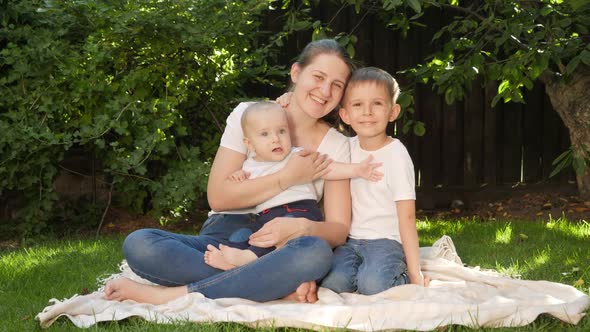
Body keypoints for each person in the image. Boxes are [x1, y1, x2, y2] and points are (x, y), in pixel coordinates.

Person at [104, 39, 355, 305]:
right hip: (225, 235)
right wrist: (288, 177)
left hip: (279, 242)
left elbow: (338, 230)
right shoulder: (247, 114)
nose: (325, 90)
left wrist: (304, 227)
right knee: (140, 244)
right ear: (296, 73)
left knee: (315, 253)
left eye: (337, 85)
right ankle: (274, 285)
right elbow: (219, 197)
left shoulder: (337, 145)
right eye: (318, 76)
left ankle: (174, 295)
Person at [204, 101, 383, 270]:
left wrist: (357, 170)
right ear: (250, 144)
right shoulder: (249, 165)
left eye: (281, 131)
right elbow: (241, 189)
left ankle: (248, 260)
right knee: (248, 235)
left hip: (299, 210)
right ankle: (244, 263)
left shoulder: (297, 155)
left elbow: (328, 168)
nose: (275, 139)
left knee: (282, 235)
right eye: (265, 134)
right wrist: (238, 176)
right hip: (267, 215)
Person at [319, 67, 428, 295]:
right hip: (351, 242)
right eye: (357, 105)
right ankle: (364, 274)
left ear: (393, 111)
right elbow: (321, 164)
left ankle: (401, 276)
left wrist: (415, 271)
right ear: (345, 115)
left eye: (377, 103)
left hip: (386, 241)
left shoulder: (396, 154)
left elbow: (407, 217)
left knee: (374, 286)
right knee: (332, 284)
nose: (367, 112)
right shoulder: (345, 148)